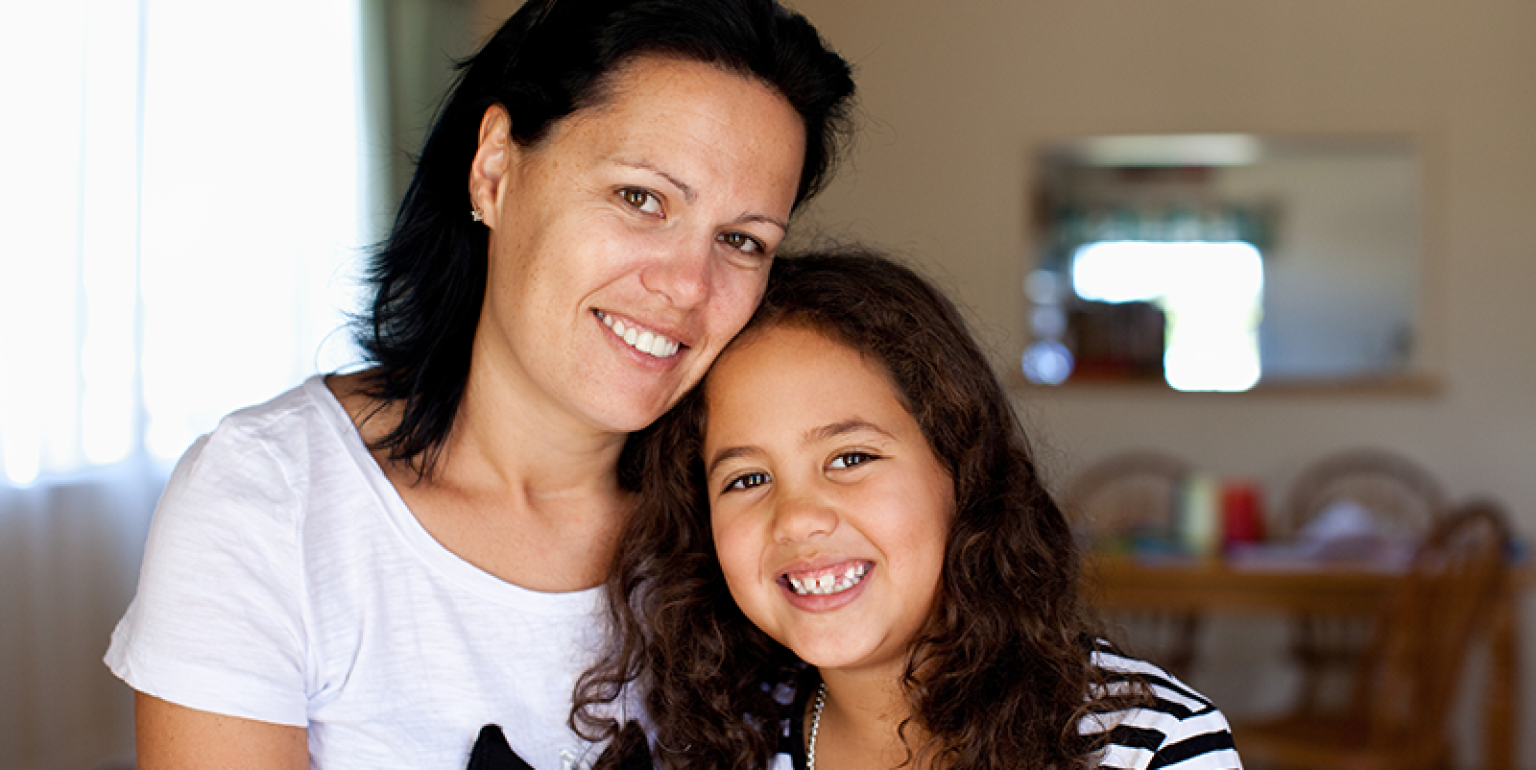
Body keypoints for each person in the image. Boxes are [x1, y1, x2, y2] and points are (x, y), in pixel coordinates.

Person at [104, 1, 855, 767]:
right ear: (494, 167)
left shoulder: (773, 526)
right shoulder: (270, 499)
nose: (688, 287)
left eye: (741, 241)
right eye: (641, 198)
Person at [578, 250, 1243, 769]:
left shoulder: (1148, 746)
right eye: (748, 477)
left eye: (850, 458)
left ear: (961, 469)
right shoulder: (722, 742)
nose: (798, 518)